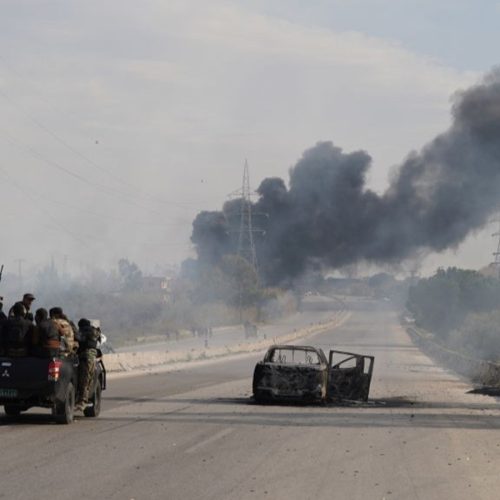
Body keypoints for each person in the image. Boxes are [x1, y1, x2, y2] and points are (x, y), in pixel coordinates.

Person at [75, 318, 100, 411]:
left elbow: (80, 339)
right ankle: (84, 400)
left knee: (84, 380)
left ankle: (82, 402)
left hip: (86, 357)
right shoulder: (94, 331)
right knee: (88, 379)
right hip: (92, 357)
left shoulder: (85, 331)